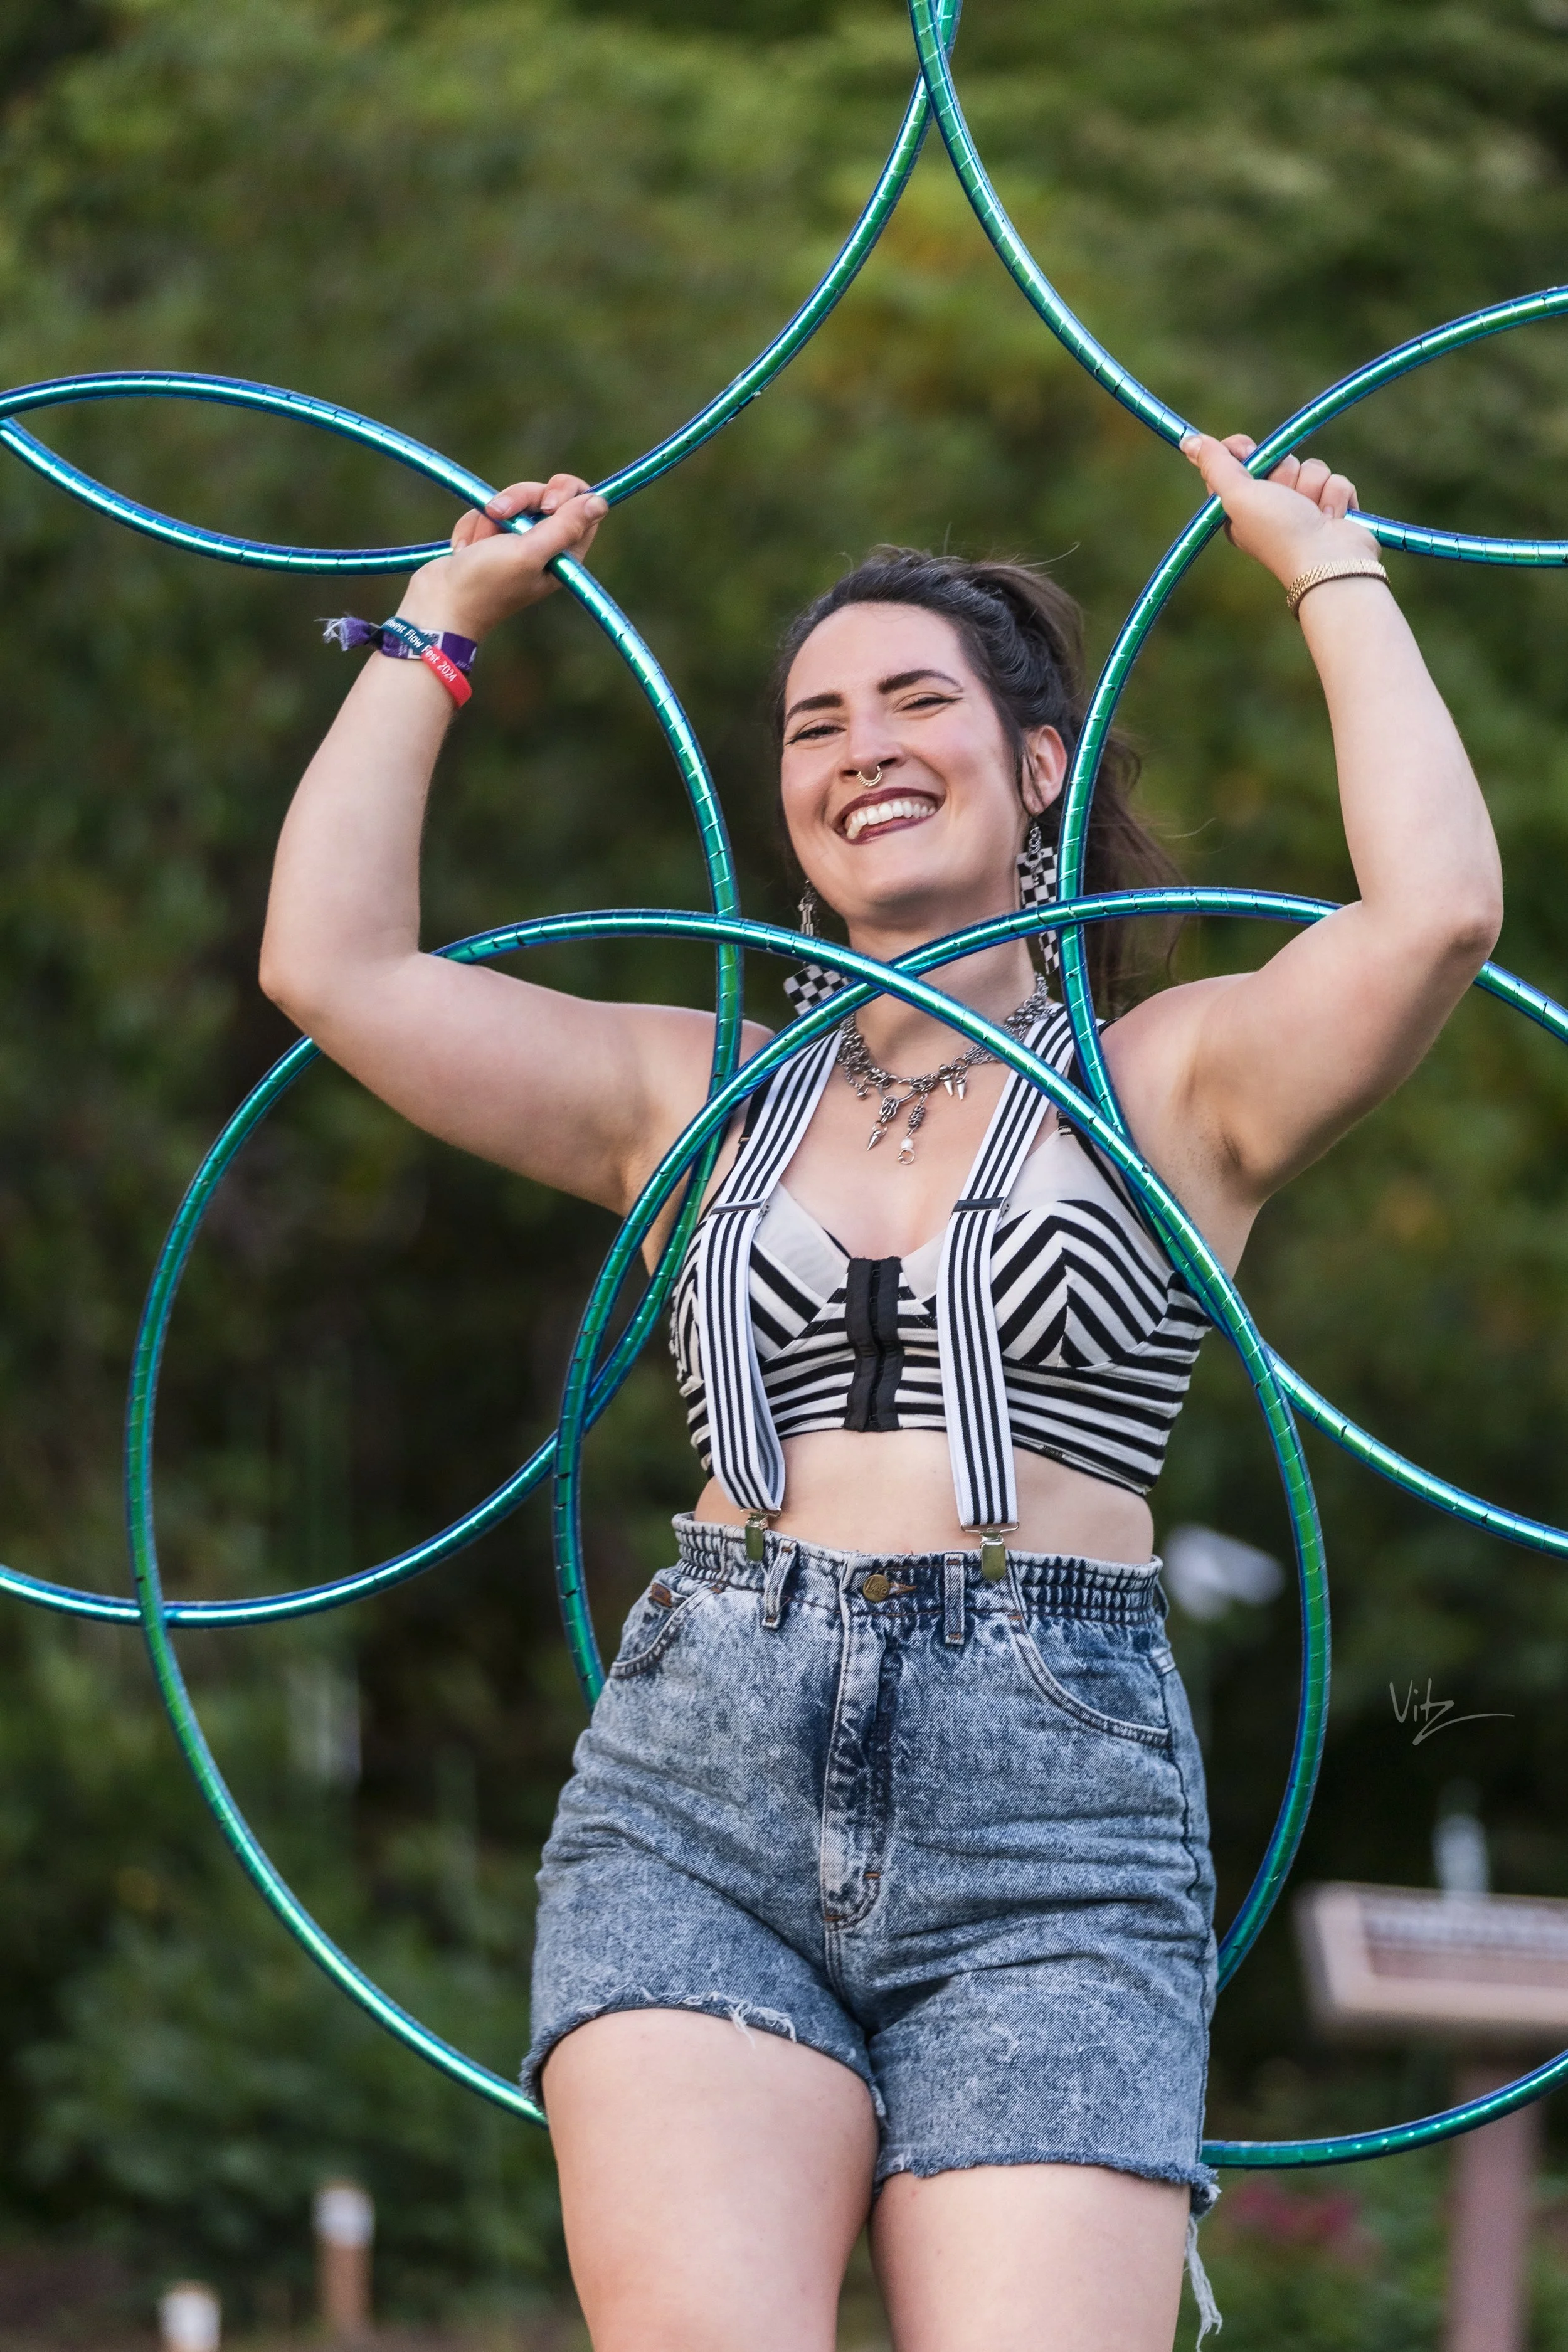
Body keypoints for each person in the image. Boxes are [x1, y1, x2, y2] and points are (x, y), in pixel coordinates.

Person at [260, 434, 1502, 2352]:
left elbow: (1431, 915)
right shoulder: (692, 1095)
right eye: (813, 721)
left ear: (1041, 770)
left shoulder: (1173, 1083)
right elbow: (333, 965)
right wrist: (433, 628)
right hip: (702, 1788)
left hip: (1051, 1818)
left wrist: (1321, 570)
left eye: (919, 700)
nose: (860, 745)